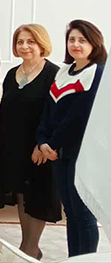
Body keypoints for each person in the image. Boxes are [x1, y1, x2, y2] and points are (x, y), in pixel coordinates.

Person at [37, 20, 107, 257]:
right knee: (71, 212)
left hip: (82, 155)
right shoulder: (63, 71)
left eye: (82, 40)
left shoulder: (98, 73)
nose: (76, 44)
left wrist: (52, 143)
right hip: (59, 154)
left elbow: (79, 117)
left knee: (83, 213)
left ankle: (86, 260)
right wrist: (42, 140)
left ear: (94, 43)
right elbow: (48, 111)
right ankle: (74, 259)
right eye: (72, 40)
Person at [0, 24, 61, 259]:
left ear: (42, 44)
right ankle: (27, 244)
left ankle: (30, 250)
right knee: (22, 194)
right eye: (20, 42)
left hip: (39, 147)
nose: (25, 46)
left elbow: (57, 114)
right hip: (12, 146)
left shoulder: (55, 74)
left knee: (38, 195)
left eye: (31, 41)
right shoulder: (12, 74)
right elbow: (5, 111)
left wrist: (43, 145)